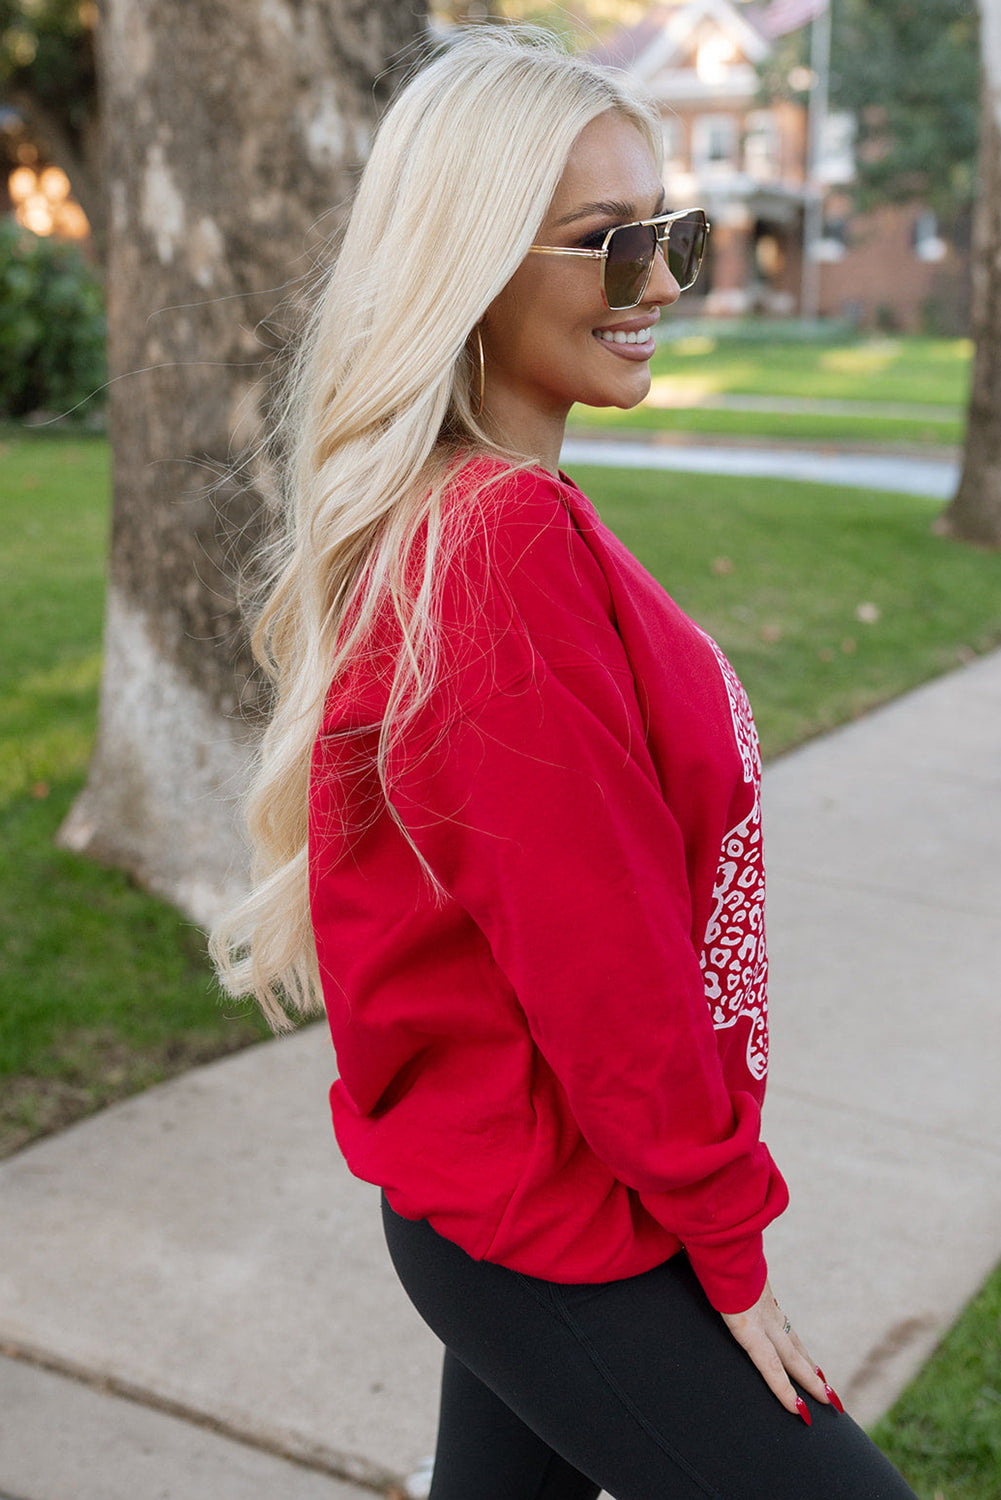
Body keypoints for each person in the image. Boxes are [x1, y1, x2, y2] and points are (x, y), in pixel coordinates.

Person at [211, 27, 918, 1500]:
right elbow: (604, 966)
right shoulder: (495, 550)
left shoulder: (497, 517)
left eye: (672, 235)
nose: (658, 285)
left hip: (534, 1199)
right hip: (565, 1227)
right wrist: (729, 1250)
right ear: (470, 263)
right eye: (607, 246)